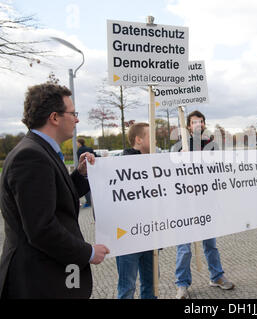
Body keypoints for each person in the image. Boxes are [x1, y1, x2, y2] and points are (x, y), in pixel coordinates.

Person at [0, 83, 109, 299]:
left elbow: (55, 198)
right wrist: (88, 252)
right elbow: (41, 228)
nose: (76, 119)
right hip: (37, 281)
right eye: (72, 113)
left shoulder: (40, 150)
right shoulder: (31, 157)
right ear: (54, 118)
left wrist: (81, 175)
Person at [172, 110, 234, 299]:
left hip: (206, 202)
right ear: (189, 127)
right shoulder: (178, 147)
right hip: (184, 204)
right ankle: (182, 284)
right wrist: (180, 159)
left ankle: (216, 276)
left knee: (210, 244)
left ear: (204, 125)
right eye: (194, 122)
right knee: (184, 248)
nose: (197, 125)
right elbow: (169, 172)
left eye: (200, 122)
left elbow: (218, 171)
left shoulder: (212, 146)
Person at [115, 122, 157, 299]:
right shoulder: (119, 166)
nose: (155, 139)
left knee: (152, 283)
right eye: (151, 136)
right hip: (127, 237)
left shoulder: (155, 162)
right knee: (127, 287)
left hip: (150, 234)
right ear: (139, 140)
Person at [76, 138, 96, 208]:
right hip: (93, 167)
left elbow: (80, 160)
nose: (76, 144)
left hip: (86, 169)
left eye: (77, 142)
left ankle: (88, 202)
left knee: (86, 187)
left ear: (80, 143)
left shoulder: (80, 150)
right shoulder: (89, 148)